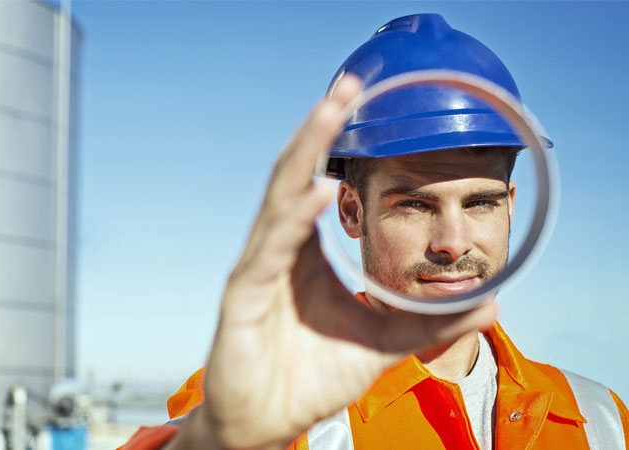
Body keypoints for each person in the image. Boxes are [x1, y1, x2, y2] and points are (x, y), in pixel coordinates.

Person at [119, 14, 629, 450]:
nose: (452, 241)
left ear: (511, 208)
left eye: (480, 203)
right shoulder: (279, 407)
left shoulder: (598, 418)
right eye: (414, 204)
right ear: (351, 211)